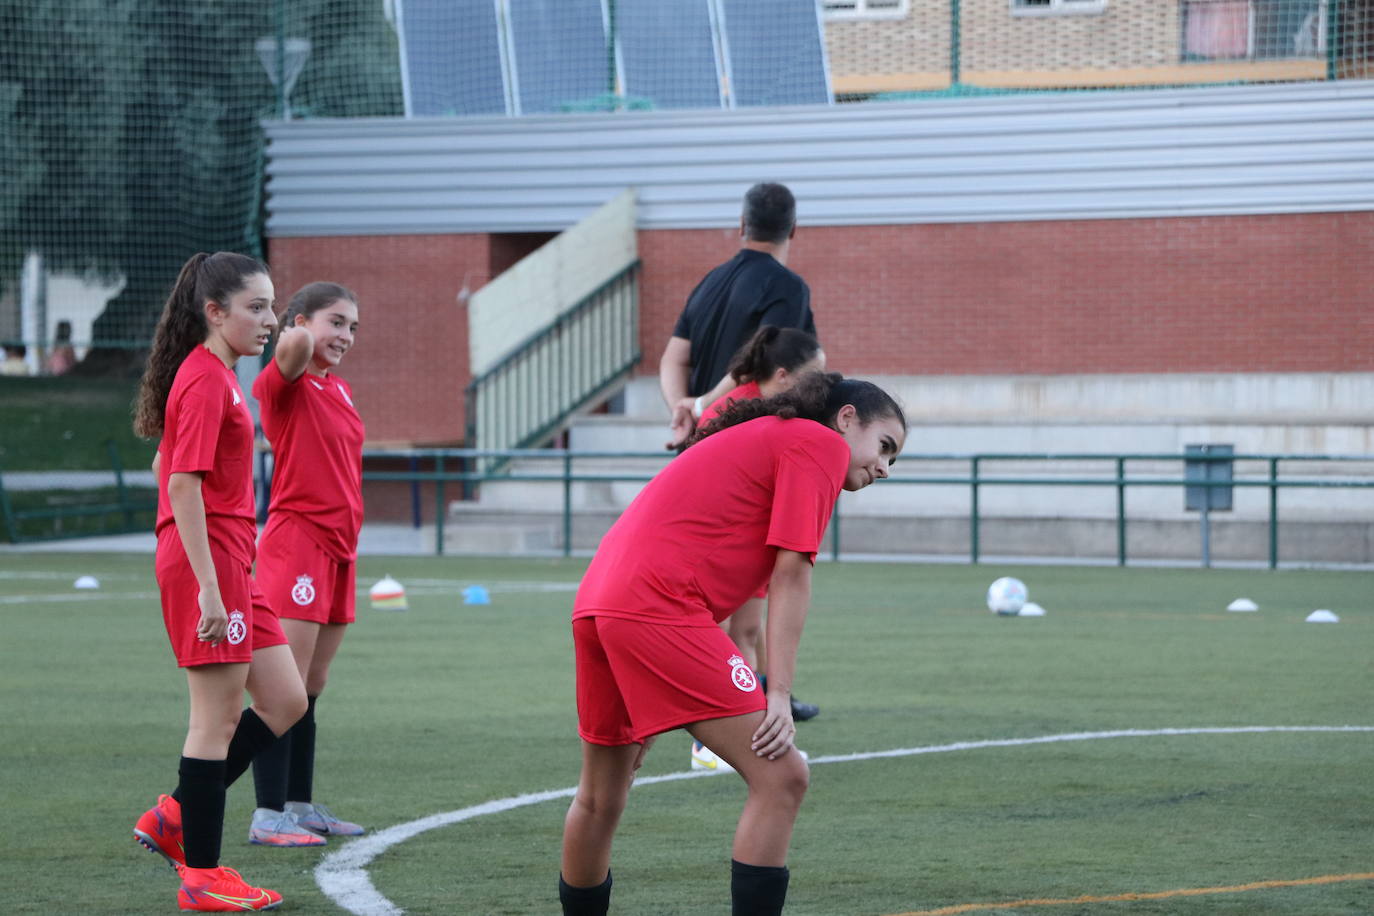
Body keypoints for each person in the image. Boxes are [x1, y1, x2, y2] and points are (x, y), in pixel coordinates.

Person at [559, 372, 906, 916]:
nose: (885, 467)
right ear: (845, 419)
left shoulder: (771, 437)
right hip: (658, 607)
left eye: (894, 460)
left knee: (601, 797)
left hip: (599, 602)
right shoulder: (815, 443)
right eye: (885, 446)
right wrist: (778, 694)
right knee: (783, 776)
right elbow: (792, 575)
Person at [130, 251, 307, 912]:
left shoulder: (216, 375)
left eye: (271, 305)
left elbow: (162, 463)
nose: (270, 319)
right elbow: (180, 484)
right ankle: (202, 875)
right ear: (214, 311)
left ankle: (177, 813)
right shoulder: (204, 379)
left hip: (232, 557)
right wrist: (205, 583)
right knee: (217, 718)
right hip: (211, 564)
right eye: (255, 307)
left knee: (285, 700)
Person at [248, 282, 366, 846]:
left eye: (352, 327)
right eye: (335, 323)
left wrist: (314, 336)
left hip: (339, 551)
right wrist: (292, 329)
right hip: (298, 544)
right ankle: (267, 815)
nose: (344, 336)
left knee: (311, 686)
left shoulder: (337, 389)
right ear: (299, 321)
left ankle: (297, 804)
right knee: (283, 687)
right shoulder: (285, 384)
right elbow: (287, 353)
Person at [689, 327, 827, 777]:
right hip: (712, 543)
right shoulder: (728, 412)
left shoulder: (787, 413)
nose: (820, 385)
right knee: (713, 636)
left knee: (745, 634)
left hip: (753, 540)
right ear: (784, 375)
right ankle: (706, 744)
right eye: (814, 375)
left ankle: (749, 738)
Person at [659, 182, 815, 449]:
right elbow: (761, 362)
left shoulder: (709, 282)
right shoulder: (788, 288)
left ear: (743, 225)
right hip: (743, 447)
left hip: (697, 447)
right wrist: (700, 405)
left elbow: (674, 360)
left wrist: (682, 409)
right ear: (793, 229)